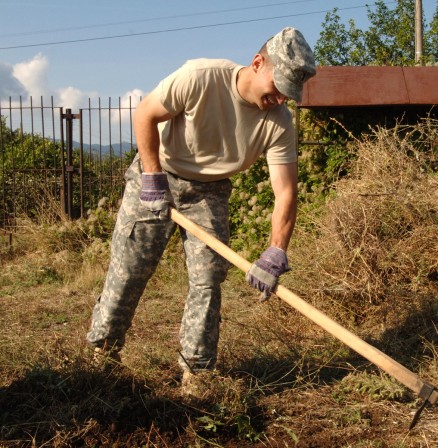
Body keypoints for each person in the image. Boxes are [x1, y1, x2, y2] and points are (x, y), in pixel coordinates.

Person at [86, 27, 316, 395]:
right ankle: (101, 358)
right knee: (130, 268)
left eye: (289, 93)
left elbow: (285, 192)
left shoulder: (279, 123)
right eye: (277, 86)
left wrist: (276, 250)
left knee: (208, 280)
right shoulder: (201, 77)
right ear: (257, 63)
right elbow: (145, 114)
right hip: (157, 174)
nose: (280, 99)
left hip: (208, 193)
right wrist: (152, 178)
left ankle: (197, 373)